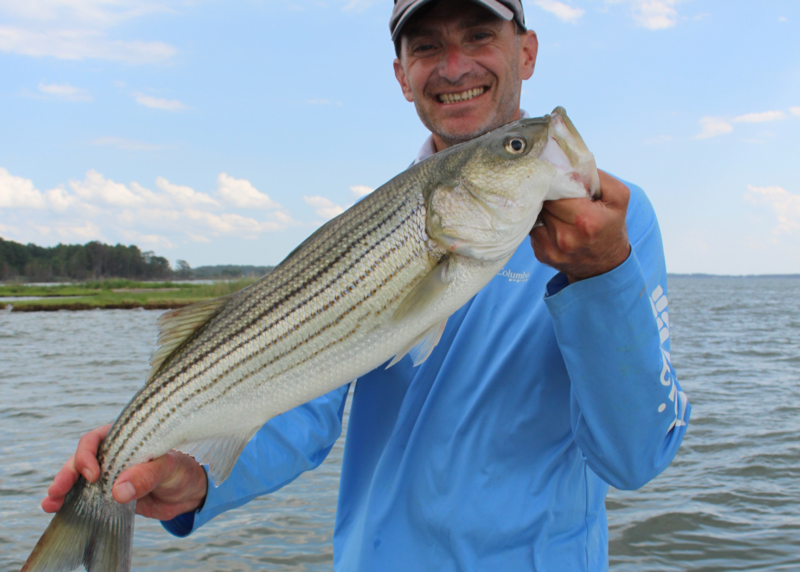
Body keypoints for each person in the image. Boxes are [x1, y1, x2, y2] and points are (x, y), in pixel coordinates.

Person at [42, 0, 690, 569]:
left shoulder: (616, 224)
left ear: (528, 50)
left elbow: (633, 459)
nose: (455, 66)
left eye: (479, 36)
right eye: (426, 46)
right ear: (402, 77)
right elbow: (301, 408)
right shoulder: (371, 230)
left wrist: (601, 274)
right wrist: (195, 474)